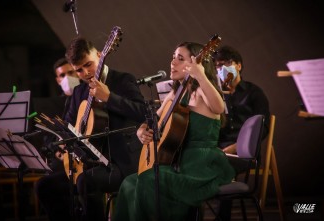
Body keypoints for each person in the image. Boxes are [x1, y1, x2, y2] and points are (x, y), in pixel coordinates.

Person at [112, 41, 235, 221]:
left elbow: (218, 107)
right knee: (129, 182)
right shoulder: (175, 93)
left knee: (148, 180)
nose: (173, 62)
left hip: (201, 163)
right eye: (173, 57)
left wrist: (201, 76)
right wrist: (142, 130)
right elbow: (153, 121)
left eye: (180, 58)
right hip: (178, 161)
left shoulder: (201, 89)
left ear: (195, 64)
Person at [35, 36, 147, 221]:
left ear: (100, 55)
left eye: (89, 64)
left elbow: (143, 112)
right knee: (44, 186)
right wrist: (60, 146)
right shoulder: (79, 92)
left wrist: (110, 97)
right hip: (88, 163)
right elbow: (67, 125)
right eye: (79, 70)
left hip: (121, 162)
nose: (86, 72)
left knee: (85, 182)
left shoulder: (122, 80)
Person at [214, 45, 270, 220]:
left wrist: (235, 148)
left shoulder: (254, 93)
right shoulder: (216, 94)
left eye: (226, 64)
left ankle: (223, 217)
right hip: (218, 150)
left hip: (244, 152)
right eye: (217, 65)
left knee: (222, 164)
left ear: (238, 65)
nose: (221, 69)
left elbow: (264, 127)